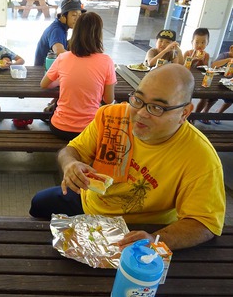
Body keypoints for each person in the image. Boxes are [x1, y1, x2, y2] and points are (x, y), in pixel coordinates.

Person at [30, 64, 226, 251]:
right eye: (138, 100)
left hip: (143, 226)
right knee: (39, 203)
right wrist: (70, 164)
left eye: (157, 107)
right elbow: (71, 150)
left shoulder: (200, 156)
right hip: (91, 202)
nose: (140, 113)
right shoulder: (112, 117)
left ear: (184, 113)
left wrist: (157, 239)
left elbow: (205, 223)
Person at [40, 12, 116, 141]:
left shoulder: (63, 57)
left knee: (54, 108)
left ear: (75, 32)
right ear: (98, 35)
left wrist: (62, 80)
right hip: (89, 131)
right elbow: (109, 100)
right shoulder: (106, 61)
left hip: (59, 128)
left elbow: (44, 84)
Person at [34, 0, 86, 117]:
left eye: (79, 15)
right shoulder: (57, 30)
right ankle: (57, 110)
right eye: (74, 15)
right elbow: (59, 52)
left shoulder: (62, 27)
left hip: (52, 68)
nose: (77, 18)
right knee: (79, 82)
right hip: (44, 70)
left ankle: (54, 106)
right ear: (63, 16)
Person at [196, 44, 232, 125]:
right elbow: (213, 65)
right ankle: (205, 111)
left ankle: (218, 113)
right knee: (212, 97)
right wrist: (228, 59)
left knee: (230, 100)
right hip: (217, 81)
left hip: (230, 82)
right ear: (231, 48)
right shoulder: (225, 55)